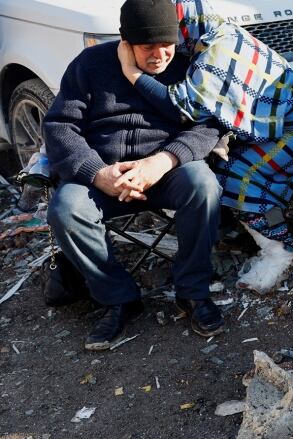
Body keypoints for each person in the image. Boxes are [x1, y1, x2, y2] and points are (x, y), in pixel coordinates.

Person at [43, 0, 226, 350]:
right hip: (102, 175)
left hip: (165, 172)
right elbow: (60, 127)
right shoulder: (90, 64)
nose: (159, 56)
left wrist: (164, 161)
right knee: (66, 210)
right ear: (125, 42)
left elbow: (210, 125)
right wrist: (97, 173)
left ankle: (192, 292)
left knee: (203, 184)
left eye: (166, 46)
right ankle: (118, 298)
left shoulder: (190, 66)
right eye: (147, 48)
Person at [118, 0, 293, 294]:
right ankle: (244, 236)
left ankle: (280, 250)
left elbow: (182, 106)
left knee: (240, 181)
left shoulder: (217, 51)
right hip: (281, 125)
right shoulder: (207, 38)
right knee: (221, 169)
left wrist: (132, 73)